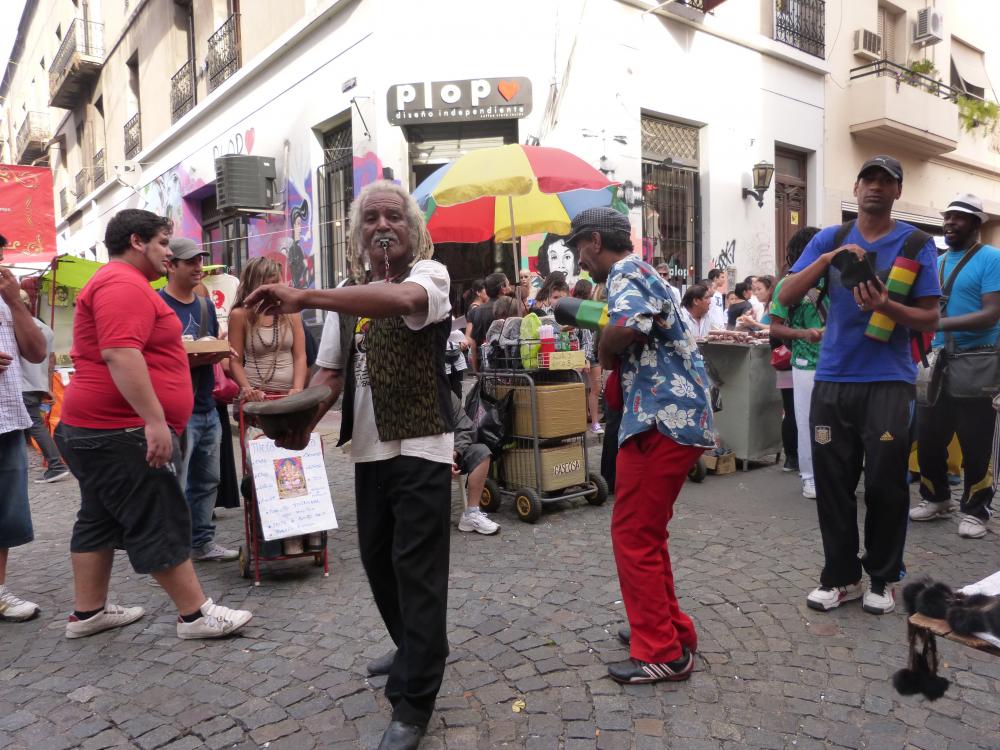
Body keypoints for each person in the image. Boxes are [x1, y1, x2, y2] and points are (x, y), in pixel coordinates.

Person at [246, 181, 455, 750]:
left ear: (413, 231)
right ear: (359, 234)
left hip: (421, 448)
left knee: (417, 572)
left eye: (394, 216)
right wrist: (297, 423)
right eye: (371, 218)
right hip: (369, 450)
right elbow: (331, 375)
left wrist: (306, 297)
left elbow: (401, 303)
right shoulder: (347, 296)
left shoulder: (430, 277)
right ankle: (413, 646)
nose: (382, 225)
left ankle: (414, 703)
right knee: (377, 562)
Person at [54, 209, 252, 639]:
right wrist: (154, 421)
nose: (169, 252)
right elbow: (120, 353)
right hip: (117, 429)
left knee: (99, 518)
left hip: (99, 428)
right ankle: (196, 615)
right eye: (164, 242)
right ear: (137, 241)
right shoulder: (121, 283)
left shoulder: (124, 284)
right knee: (156, 513)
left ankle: (88, 613)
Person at [777, 155, 940, 615]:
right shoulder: (832, 238)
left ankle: (884, 577)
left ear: (896, 192)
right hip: (833, 378)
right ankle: (841, 576)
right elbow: (786, 296)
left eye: (885, 180)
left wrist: (887, 305)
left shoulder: (916, 242)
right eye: (868, 178)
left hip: (888, 381)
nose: (874, 186)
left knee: (887, 485)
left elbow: (931, 316)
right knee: (832, 483)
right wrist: (828, 259)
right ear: (856, 186)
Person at [570, 207, 714, 685]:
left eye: (577, 248)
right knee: (646, 534)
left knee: (632, 533)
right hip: (670, 417)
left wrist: (604, 349)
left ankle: (662, 653)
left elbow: (626, 328)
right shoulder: (642, 271)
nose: (578, 260)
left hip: (661, 419)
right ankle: (669, 629)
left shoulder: (625, 271)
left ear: (593, 240)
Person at [910, 193, 1000, 539]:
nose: (950, 223)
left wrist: (937, 325)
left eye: (959, 218)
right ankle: (936, 498)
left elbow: (992, 312)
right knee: (929, 436)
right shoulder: (938, 261)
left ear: (977, 224)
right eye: (947, 217)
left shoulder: (991, 259)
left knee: (974, 441)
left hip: (977, 361)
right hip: (935, 362)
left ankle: (976, 509)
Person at [158, 237, 238, 562]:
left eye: (199, 260)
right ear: (170, 265)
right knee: (175, 481)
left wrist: (219, 350)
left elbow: (211, 352)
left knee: (208, 480)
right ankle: (172, 548)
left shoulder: (205, 305)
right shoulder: (157, 305)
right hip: (176, 411)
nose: (198, 266)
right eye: (190, 261)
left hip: (207, 406)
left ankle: (202, 542)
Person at [0, 235, 47, 622]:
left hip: (8, 418)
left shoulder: (8, 300)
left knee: (7, 514)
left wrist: (16, 301)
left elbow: (35, 351)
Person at [769, 227, 824, 498]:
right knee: (805, 420)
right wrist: (803, 334)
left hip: (837, 364)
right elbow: (775, 329)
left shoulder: (834, 280)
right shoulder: (787, 284)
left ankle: (827, 470)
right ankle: (809, 475)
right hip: (804, 364)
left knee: (828, 423)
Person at [229, 257, 308, 401]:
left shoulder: (291, 312)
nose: (274, 289)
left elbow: (300, 356)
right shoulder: (240, 315)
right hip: (256, 395)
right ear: (255, 286)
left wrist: (297, 389)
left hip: (288, 396)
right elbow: (235, 361)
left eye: (277, 282)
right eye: (268, 284)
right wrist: (247, 389)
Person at [18, 289, 70, 483]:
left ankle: (56, 464)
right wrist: (46, 385)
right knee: (34, 424)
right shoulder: (44, 327)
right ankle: (55, 464)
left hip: (24, 383)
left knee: (34, 425)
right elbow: (51, 360)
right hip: (36, 383)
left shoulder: (18, 327)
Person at [573, 279, 604, 435]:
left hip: (591, 352)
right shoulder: (582, 308)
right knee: (590, 389)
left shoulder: (584, 307)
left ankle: (593, 421)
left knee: (593, 388)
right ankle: (593, 422)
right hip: (587, 353)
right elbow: (585, 335)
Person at [466, 271, 511, 371]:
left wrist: (476, 371)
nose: (510, 286)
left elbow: (473, 343)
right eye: (508, 283)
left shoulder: (476, 311)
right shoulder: (510, 308)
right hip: (507, 365)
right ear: (502, 288)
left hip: (485, 367)